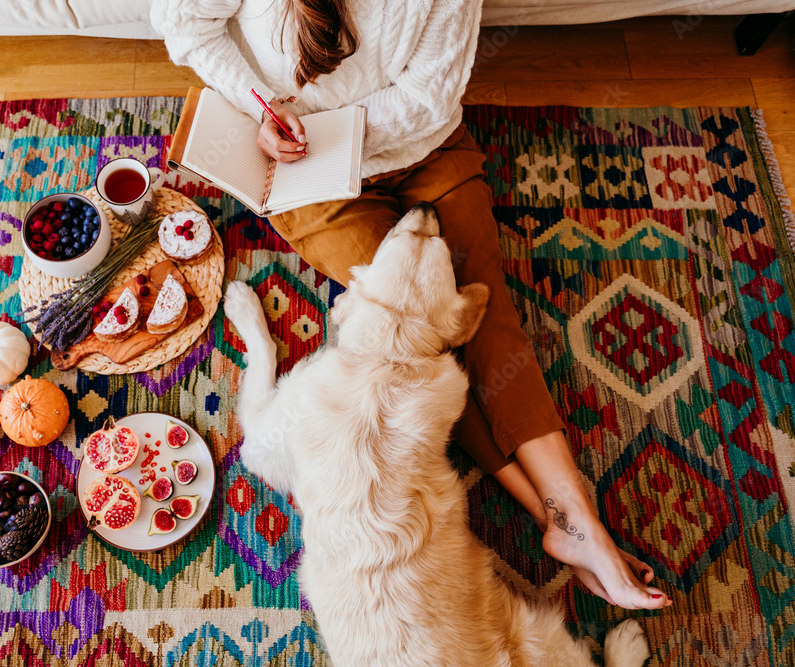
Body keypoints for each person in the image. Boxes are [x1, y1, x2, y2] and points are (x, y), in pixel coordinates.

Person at [151, 0, 670, 611]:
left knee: (485, 309)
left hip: (422, 151)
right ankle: (554, 518)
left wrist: (322, 127)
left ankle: (574, 513)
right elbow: (185, 24)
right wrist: (263, 109)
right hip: (308, 176)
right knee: (416, 334)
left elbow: (426, 99)